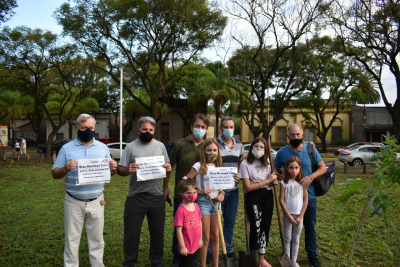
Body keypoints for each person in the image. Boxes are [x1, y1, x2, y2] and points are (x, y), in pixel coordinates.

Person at [51, 113, 118, 267]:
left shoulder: (103, 148)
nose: (88, 130)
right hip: (74, 201)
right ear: (76, 128)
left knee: (97, 240)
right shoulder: (66, 148)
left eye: (91, 127)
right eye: (84, 127)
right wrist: (65, 169)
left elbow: (109, 173)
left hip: (96, 201)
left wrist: (113, 169)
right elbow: (55, 173)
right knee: (72, 240)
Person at [117, 116, 172, 267]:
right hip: (136, 197)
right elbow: (120, 169)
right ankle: (129, 262)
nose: (148, 132)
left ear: (154, 131)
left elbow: (167, 169)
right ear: (138, 131)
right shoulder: (130, 147)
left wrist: (166, 186)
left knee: (157, 233)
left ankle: (156, 262)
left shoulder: (160, 146)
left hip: (156, 196)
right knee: (131, 234)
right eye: (144, 129)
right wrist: (128, 169)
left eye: (150, 130)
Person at [274, 124, 326, 267]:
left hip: (309, 196)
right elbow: (275, 167)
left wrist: (311, 177)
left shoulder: (311, 150)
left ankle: (312, 255)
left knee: (310, 226)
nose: (295, 137)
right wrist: (276, 175)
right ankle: (288, 256)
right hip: (290, 200)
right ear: (288, 136)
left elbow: (323, 167)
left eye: (298, 134)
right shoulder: (282, 152)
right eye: (292, 135)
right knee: (289, 232)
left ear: (302, 135)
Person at [169, 113, 209, 267]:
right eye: (197, 126)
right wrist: (166, 187)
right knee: (179, 229)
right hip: (182, 196)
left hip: (201, 196)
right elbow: (169, 167)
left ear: (206, 129)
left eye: (203, 127)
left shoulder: (207, 148)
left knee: (196, 228)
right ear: (192, 127)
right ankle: (177, 260)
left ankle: (193, 259)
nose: (200, 129)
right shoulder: (179, 145)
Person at [186, 138, 225, 267]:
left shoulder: (219, 167)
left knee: (216, 237)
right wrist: (199, 190)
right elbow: (186, 181)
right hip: (203, 202)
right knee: (205, 237)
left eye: (214, 150)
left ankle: (215, 264)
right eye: (209, 150)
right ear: (204, 151)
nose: (212, 153)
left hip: (216, 203)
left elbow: (222, 186)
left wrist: (222, 194)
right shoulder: (198, 166)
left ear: (218, 151)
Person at [239, 137, 278, 267]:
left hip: (267, 195)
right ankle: (254, 257)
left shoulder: (268, 163)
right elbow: (248, 187)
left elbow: (270, 182)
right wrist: (267, 181)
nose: (259, 149)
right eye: (256, 146)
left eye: (262, 147)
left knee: (265, 226)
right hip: (253, 196)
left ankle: (262, 258)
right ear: (251, 148)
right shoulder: (245, 164)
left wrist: (273, 181)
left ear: (266, 149)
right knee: (256, 226)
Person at [209, 116, 243, 262]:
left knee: (230, 221)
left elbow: (240, 163)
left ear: (234, 128)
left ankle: (228, 250)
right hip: (217, 190)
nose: (228, 129)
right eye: (225, 127)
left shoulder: (239, 145)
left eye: (231, 127)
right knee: (215, 221)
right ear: (221, 128)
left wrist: (239, 175)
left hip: (233, 189)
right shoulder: (214, 144)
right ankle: (212, 252)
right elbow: (209, 163)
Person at [280, 156, 308, 267]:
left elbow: (305, 200)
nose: (294, 170)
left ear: (300, 168)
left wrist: (300, 216)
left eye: (296, 167)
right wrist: (289, 216)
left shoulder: (302, 183)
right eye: (291, 167)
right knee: (287, 238)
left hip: (299, 216)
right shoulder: (284, 183)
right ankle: (287, 261)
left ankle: (293, 261)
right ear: (286, 168)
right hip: (288, 216)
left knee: (296, 238)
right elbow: (281, 200)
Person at [174, 178, 203, 267]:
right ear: (182, 194)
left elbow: (199, 222)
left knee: (192, 262)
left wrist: (200, 238)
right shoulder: (180, 210)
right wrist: (182, 247)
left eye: (194, 192)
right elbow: (178, 230)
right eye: (188, 193)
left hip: (195, 243)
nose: (192, 195)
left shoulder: (196, 206)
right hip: (186, 245)